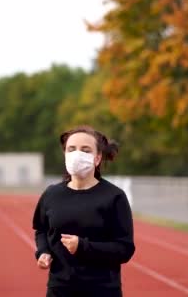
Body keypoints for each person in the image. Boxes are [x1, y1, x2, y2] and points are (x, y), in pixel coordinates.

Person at [32, 125, 135, 297]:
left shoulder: (114, 197)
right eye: (71, 149)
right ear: (65, 155)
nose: (77, 154)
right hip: (60, 289)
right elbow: (41, 229)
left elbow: (124, 249)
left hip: (102, 290)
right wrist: (43, 251)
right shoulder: (51, 194)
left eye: (85, 150)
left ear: (97, 158)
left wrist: (83, 247)